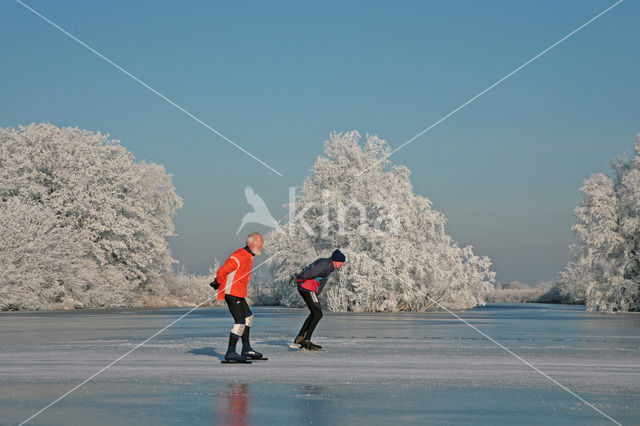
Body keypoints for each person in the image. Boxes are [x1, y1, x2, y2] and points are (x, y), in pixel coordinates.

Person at [210, 233, 264, 362]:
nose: (262, 247)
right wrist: (218, 282)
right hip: (231, 292)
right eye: (261, 244)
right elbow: (223, 271)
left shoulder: (250, 255)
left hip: (239, 292)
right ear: (253, 244)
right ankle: (230, 352)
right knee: (240, 322)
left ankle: (246, 349)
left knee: (248, 318)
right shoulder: (239, 256)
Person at [292, 249, 346, 350]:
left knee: (315, 313)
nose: (342, 264)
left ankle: (300, 338)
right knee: (318, 314)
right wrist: (298, 278)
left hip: (308, 289)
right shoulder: (326, 264)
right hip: (307, 288)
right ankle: (306, 340)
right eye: (342, 262)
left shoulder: (329, 266)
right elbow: (310, 272)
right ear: (336, 261)